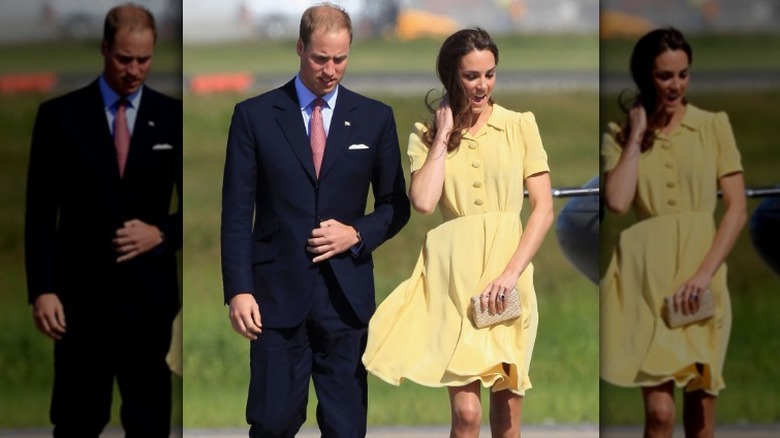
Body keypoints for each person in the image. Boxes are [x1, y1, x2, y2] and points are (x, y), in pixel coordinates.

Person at [220, 3, 410, 437]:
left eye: (340, 59)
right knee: (272, 423)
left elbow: (395, 205)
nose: (330, 69)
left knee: (346, 428)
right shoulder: (254, 117)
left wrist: (357, 233)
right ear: (300, 48)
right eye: (320, 58)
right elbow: (235, 214)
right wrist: (239, 290)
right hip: (275, 298)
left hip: (346, 299)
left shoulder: (375, 118)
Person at [362, 28, 554, 437]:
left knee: (507, 421)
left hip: (510, 275)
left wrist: (510, 274)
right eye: (471, 76)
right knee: (467, 416)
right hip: (455, 282)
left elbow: (543, 209)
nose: (482, 85)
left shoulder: (520, 125)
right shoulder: (425, 134)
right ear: (451, 76)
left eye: (489, 74)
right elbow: (425, 202)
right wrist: (442, 136)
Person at [24, 3, 182, 437]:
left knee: (149, 423)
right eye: (124, 59)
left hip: (149, 303)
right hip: (80, 303)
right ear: (104, 49)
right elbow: (39, 215)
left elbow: (211, 210)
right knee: (77, 420)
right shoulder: (59, 118)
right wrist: (43, 289)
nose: (134, 70)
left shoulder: (173, 118)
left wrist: (161, 233)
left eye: (144, 60)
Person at [600, 27, 747, 437]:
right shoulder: (620, 134)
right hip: (646, 281)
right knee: (660, 414)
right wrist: (635, 137)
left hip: (702, 274)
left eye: (683, 74)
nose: (676, 85)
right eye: (665, 76)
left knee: (700, 414)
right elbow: (617, 201)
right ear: (647, 77)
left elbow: (736, 208)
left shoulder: (713, 125)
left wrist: (704, 276)